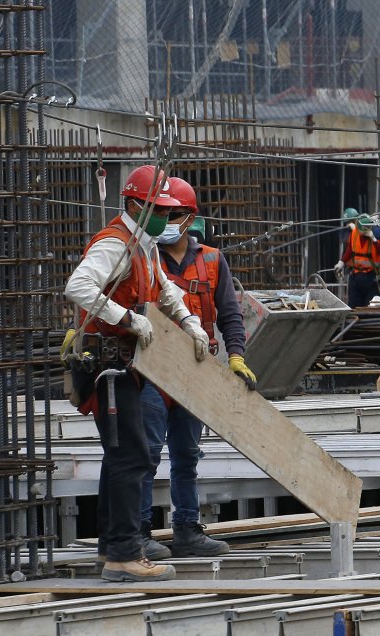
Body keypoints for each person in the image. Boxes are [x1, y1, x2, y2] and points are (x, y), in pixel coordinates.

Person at [63, 165, 210, 582]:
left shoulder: (142, 244)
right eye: (158, 208)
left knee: (122, 456)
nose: (165, 217)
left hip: (127, 365)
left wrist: (189, 322)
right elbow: (79, 287)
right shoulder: (115, 244)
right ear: (133, 205)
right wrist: (125, 318)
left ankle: (112, 546)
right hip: (109, 365)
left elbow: (165, 288)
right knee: (132, 457)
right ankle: (125, 555)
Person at [138, 177, 257, 560]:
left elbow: (231, 315)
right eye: (160, 213)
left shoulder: (210, 259)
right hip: (152, 372)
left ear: (188, 218)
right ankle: (139, 532)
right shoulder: (142, 258)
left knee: (187, 454)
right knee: (147, 453)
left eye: (172, 214)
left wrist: (236, 356)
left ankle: (187, 529)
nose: (164, 221)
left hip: (196, 371)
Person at [333, 207, 380, 307]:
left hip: (371, 277)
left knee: (371, 307)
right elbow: (350, 250)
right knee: (354, 306)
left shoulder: (376, 234)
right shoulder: (355, 232)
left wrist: (373, 239)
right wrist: (341, 262)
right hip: (356, 277)